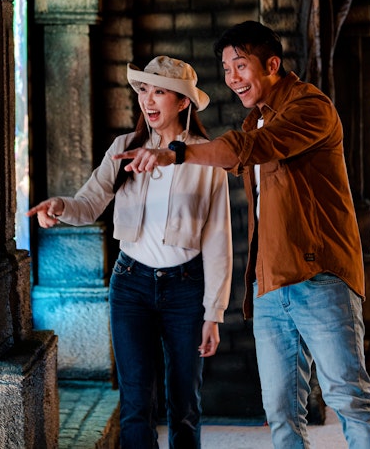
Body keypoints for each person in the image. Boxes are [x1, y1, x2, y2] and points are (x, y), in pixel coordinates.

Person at [114, 22, 370, 448]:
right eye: (226, 69)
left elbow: (244, 150)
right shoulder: (255, 118)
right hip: (270, 286)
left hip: (321, 278)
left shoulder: (310, 107)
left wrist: (176, 153)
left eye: (240, 66)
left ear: (271, 65)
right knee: (281, 415)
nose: (232, 78)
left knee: (349, 399)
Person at [27, 56, 233, 449]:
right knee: (136, 403)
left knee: (185, 403)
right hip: (130, 285)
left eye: (159, 92)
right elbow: (88, 203)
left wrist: (214, 313)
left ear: (183, 102)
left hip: (186, 289)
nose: (148, 101)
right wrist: (61, 206)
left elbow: (218, 239)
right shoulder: (124, 147)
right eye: (143, 91)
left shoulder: (207, 158)